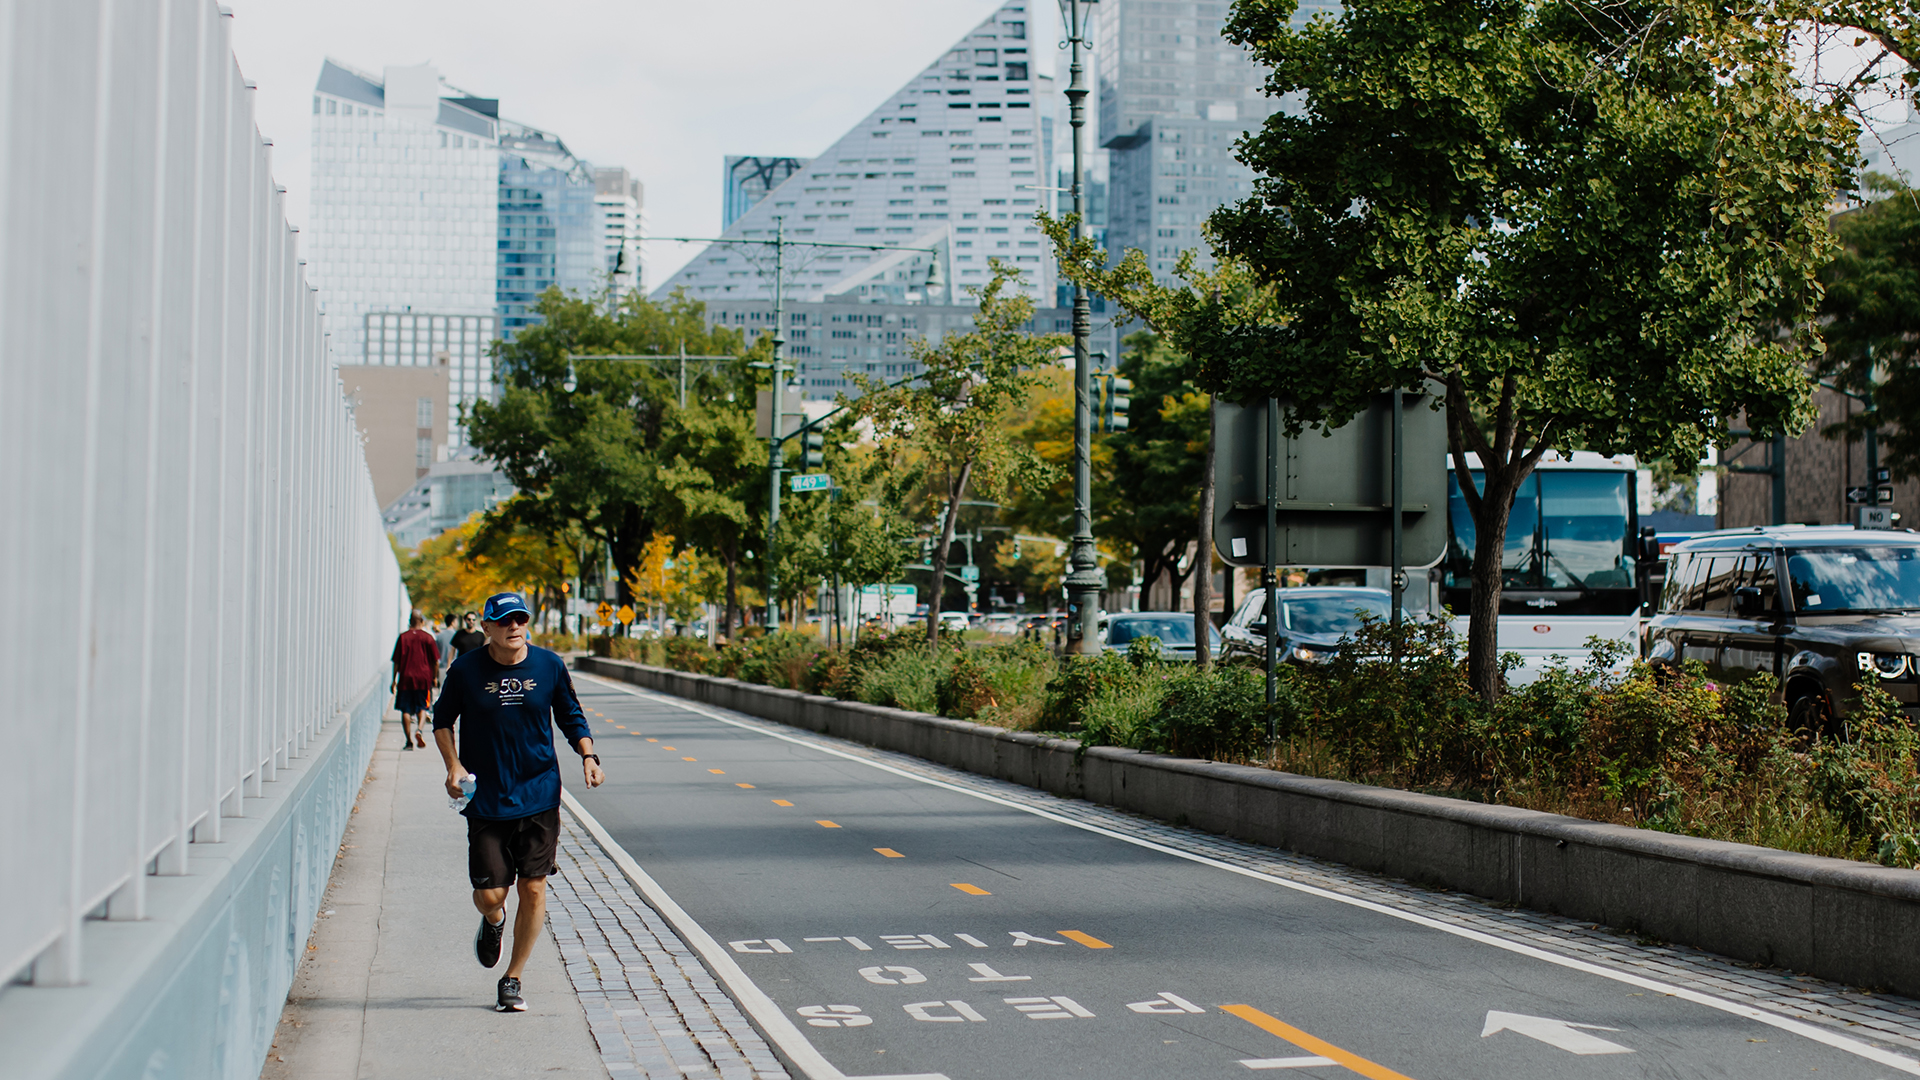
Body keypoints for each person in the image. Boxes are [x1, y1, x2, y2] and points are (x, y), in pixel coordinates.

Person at [433, 591, 603, 1013]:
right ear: (486, 627)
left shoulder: (549, 665)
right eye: (505, 620)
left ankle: (513, 977)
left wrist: (588, 755)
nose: (514, 627)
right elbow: (442, 720)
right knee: (491, 894)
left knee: (533, 886)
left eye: (521, 619)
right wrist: (453, 766)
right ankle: (494, 920)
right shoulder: (466, 670)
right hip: (487, 798)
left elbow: (570, 715)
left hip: (539, 792)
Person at [390, 612, 440, 750]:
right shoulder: (428, 638)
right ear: (422, 622)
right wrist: (434, 677)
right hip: (423, 678)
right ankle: (419, 730)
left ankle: (409, 742)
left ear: (409, 621)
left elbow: (396, 661)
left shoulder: (403, 637)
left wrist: (394, 680)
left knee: (405, 710)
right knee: (422, 707)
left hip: (406, 678)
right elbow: (435, 661)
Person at [435, 612, 459, 683]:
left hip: (442, 666)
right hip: (455, 666)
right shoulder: (457, 635)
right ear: (452, 623)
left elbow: (437, 652)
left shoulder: (439, 636)